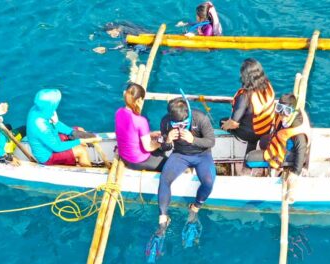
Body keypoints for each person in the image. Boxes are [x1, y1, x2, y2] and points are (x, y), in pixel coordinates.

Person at [155, 96, 216, 235]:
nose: (180, 128)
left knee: (209, 182)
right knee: (164, 179)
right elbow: (165, 148)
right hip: (180, 155)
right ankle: (163, 218)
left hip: (202, 155)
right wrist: (168, 140)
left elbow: (211, 142)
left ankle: (194, 208)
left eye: (183, 124)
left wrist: (193, 139)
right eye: (176, 125)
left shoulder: (200, 118)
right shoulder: (165, 122)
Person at [25, 88, 99, 166]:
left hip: (53, 137)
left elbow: (56, 123)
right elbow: (57, 147)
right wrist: (79, 141)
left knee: (80, 129)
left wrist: (72, 132)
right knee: (81, 151)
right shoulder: (40, 127)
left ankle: (74, 159)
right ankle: (87, 171)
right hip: (48, 156)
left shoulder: (39, 109)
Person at [246, 93, 310, 181]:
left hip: (288, 155)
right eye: (279, 109)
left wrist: (295, 174)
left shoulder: (298, 133)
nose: (282, 115)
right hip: (281, 144)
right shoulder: (286, 117)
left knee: (249, 157)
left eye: (287, 112)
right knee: (262, 141)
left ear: (294, 111)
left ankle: (278, 167)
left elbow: (301, 151)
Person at [220, 58, 275, 154]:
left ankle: (250, 148)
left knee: (222, 122)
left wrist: (225, 126)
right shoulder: (267, 85)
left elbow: (234, 123)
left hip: (252, 134)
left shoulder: (244, 96)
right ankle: (250, 151)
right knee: (250, 120)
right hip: (266, 129)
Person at [115, 83, 166, 171]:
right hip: (137, 161)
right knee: (168, 163)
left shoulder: (118, 112)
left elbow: (130, 134)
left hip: (123, 156)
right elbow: (148, 147)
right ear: (139, 100)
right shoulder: (141, 120)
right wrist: (161, 141)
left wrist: (149, 135)